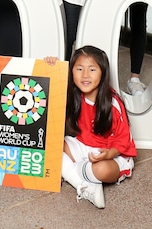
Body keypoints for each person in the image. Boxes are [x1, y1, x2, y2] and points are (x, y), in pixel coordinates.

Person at [57, 45, 136, 209]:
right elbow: (50, 91)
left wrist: (108, 154)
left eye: (92, 70)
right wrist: (52, 66)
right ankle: (85, 185)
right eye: (79, 69)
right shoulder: (73, 95)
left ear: (103, 73)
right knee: (51, 146)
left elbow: (124, 141)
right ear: (71, 72)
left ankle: (73, 172)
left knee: (102, 170)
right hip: (82, 145)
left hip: (110, 153)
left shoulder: (113, 103)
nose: (85, 75)